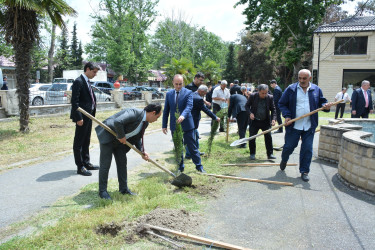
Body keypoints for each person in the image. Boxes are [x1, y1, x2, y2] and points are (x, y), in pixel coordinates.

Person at [95, 104, 162, 200]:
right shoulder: (135, 113)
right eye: (157, 117)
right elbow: (118, 122)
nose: (157, 120)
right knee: (105, 164)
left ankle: (123, 189)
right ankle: (103, 192)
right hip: (109, 136)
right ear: (153, 113)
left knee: (122, 163)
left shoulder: (145, 123)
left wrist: (142, 151)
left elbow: (137, 138)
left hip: (120, 143)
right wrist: (121, 136)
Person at [278, 69, 333, 182]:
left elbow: (322, 102)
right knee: (289, 146)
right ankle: (284, 160)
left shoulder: (316, 90)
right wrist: (287, 116)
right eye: (300, 78)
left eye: (304, 78)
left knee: (307, 149)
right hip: (294, 124)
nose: (302, 81)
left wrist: (326, 106)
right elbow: (282, 103)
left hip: (309, 125)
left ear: (310, 78)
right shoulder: (291, 89)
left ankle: (304, 171)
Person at [162, 74, 206, 173]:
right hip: (175, 124)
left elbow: (189, 106)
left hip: (187, 124)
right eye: (176, 84)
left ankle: (199, 166)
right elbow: (166, 111)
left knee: (192, 146)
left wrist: (183, 115)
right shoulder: (169, 94)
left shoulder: (188, 92)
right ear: (173, 83)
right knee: (178, 146)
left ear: (183, 83)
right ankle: (180, 167)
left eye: (180, 84)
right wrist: (164, 125)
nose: (178, 86)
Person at [70, 62, 100, 176]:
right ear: (87, 69)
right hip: (82, 117)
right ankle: (80, 166)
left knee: (86, 140)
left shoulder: (87, 81)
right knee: (79, 142)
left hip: (89, 116)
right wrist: (78, 117)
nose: (95, 74)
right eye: (94, 72)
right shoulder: (79, 81)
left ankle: (86, 163)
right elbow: (75, 101)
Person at [185, 85, 220, 158]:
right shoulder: (198, 99)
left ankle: (196, 151)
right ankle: (188, 155)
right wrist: (215, 117)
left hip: (189, 119)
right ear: (201, 91)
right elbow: (206, 110)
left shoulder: (193, 94)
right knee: (191, 138)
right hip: (192, 120)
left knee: (196, 136)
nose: (205, 95)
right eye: (205, 93)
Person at [246, 84, 277, 160]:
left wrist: (273, 119)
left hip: (265, 121)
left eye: (266, 92)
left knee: (268, 137)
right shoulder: (253, 96)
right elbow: (246, 106)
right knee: (252, 137)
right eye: (262, 93)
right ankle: (252, 153)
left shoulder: (270, 97)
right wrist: (250, 113)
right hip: (254, 121)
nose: (264, 94)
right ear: (258, 91)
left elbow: (273, 109)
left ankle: (270, 154)